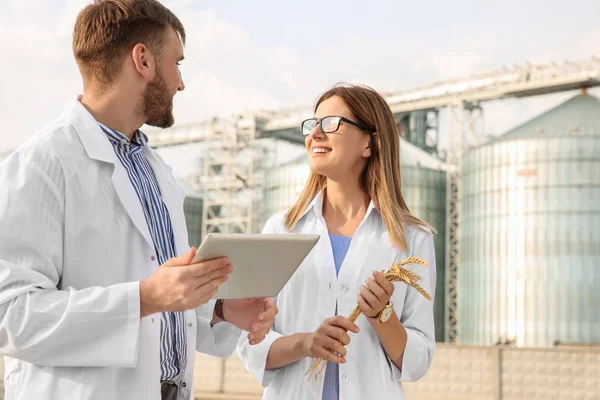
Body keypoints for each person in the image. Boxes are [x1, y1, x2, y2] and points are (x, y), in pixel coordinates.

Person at [0, 1, 276, 399]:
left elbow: (159, 300)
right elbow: (11, 314)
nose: (181, 82)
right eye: (177, 63)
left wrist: (218, 311)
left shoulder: (157, 173)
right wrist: (145, 298)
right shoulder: (40, 165)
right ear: (143, 60)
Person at [237, 84, 436, 399]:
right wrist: (306, 343)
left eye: (331, 123)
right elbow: (250, 344)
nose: (315, 133)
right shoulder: (280, 229)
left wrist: (383, 316)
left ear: (370, 143)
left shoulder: (412, 239)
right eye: (312, 124)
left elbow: (418, 362)